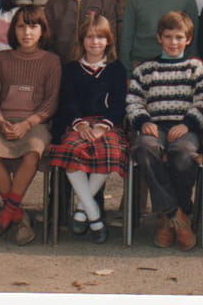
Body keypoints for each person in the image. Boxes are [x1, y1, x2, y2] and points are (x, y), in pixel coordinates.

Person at [0, 6, 61, 247]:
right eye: (21, 26)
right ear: (13, 30)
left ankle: (3, 219)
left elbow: (51, 101)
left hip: (35, 123)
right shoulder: (1, 58)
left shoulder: (51, 61)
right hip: (3, 122)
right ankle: (19, 216)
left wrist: (28, 123)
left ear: (42, 30)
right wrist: (0, 120)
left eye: (33, 26)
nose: (27, 32)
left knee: (33, 151)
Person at [127, 11, 203, 251]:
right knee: (144, 148)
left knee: (183, 155)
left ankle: (167, 219)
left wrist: (187, 124)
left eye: (179, 37)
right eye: (168, 37)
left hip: (185, 127)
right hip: (155, 126)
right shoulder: (145, 69)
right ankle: (177, 215)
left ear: (188, 39)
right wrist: (143, 121)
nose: (173, 42)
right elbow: (133, 101)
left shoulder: (197, 69)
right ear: (159, 38)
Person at [47, 14, 128, 244]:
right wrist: (80, 123)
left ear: (109, 41)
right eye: (90, 37)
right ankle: (94, 215)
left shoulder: (116, 69)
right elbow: (69, 101)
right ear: (81, 40)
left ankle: (82, 210)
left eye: (100, 37)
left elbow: (119, 105)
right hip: (78, 124)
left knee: (109, 153)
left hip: (106, 126)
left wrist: (102, 127)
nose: (95, 42)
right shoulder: (72, 69)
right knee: (71, 151)